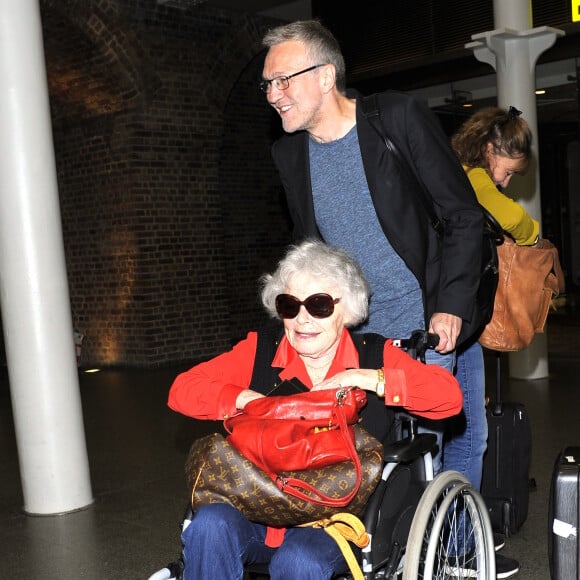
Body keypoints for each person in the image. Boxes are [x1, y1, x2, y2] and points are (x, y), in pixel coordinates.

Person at [260, 20, 519, 578]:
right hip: (352, 330)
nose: (274, 94)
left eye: (283, 80)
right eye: (268, 85)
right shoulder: (290, 155)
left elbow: (461, 215)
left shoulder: (394, 119)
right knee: (363, 444)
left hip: (425, 316)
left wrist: (448, 304)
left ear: (326, 75)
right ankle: (376, 543)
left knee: (440, 435)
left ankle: (452, 548)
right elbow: (311, 249)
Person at [168, 239, 463, 580]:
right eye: (289, 305)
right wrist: (243, 398)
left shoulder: (375, 356)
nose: (302, 319)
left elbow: (449, 397)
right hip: (259, 507)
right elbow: (182, 390)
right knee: (208, 525)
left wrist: (367, 378)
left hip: (338, 518)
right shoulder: (259, 352)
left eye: (319, 305)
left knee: (299, 560)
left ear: (347, 310)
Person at [451, 105, 540, 245]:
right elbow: (514, 217)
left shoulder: (457, 169)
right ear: (490, 149)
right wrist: (533, 237)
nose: (505, 183)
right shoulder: (474, 175)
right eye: (508, 172)